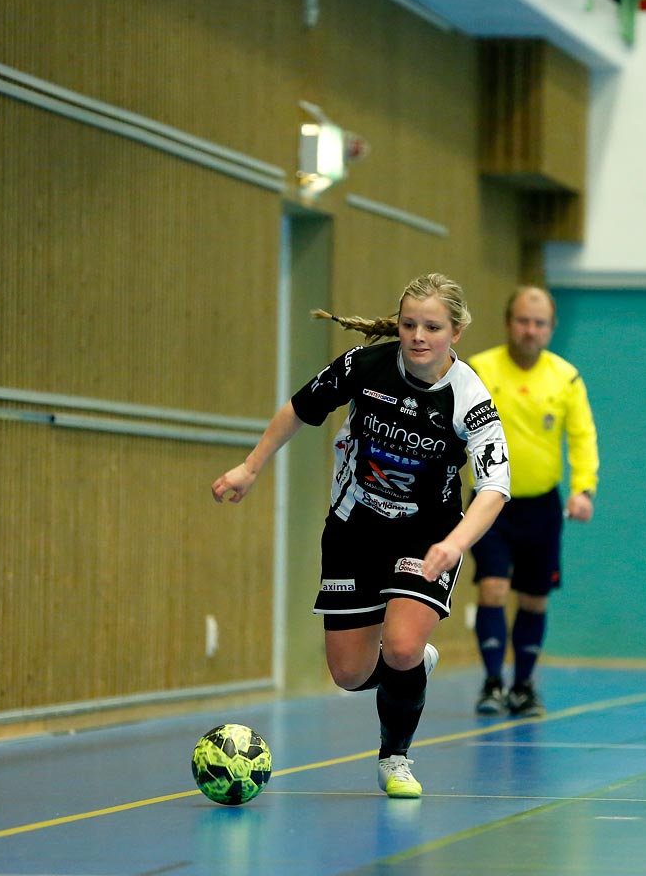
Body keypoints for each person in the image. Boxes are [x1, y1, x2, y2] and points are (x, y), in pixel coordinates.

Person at [212, 273, 510, 799]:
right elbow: (300, 409)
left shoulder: (469, 397)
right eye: (409, 324)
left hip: (428, 535)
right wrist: (250, 467)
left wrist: (455, 543)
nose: (418, 336)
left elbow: (494, 488)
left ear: (456, 333)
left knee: (398, 644)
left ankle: (395, 755)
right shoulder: (364, 366)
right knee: (349, 675)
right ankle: (411, 666)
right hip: (355, 526)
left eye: (433, 327)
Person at [467, 286, 599, 718]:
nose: (530, 329)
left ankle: (523, 686)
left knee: (534, 599)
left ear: (551, 329)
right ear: (509, 322)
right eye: (523, 320)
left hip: (541, 505)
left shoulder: (566, 377)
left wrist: (584, 488)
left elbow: (582, 437)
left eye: (539, 323)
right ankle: (491, 684)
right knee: (493, 587)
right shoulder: (479, 370)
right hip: (489, 502)